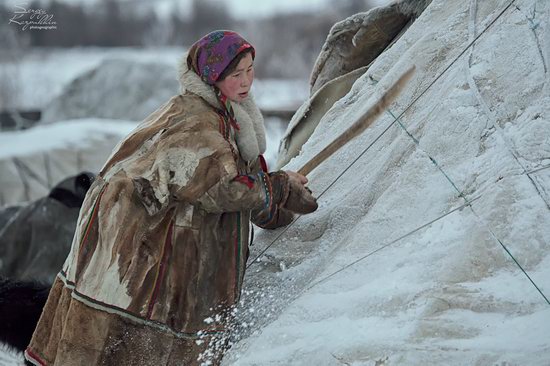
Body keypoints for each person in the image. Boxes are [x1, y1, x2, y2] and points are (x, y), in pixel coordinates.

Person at [25, 30, 318, 366]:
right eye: (236, 74)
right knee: (136, 328)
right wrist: (279, 187)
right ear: (213, 76)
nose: (246, 80)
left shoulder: (230, 112)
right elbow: (220, 189)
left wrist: (275, 210)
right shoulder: (196, 121)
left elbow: (244, 173)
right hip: (143, 239)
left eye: (250, 70)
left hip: (165, 232)